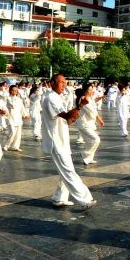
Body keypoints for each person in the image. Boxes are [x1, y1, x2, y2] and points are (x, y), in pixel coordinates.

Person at [42, 74, 97, 209]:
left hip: (62, 138)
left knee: (65, 171)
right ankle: (85, 199)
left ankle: (59, 197)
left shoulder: (58, 98)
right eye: (61, 82)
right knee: (68, 171)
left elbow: (69, 120)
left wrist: (77, 109)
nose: (64, 85)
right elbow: (67, 116)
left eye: (65, 82)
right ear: (52, 83)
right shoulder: (50, 98)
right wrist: (79, 107)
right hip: (56, 140)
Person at [76, 82, 104, 166]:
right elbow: (92, 112)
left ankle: (88, 159)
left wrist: (99, 119)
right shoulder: (84, 99)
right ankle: (85, 153)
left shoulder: (90, 99)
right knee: (96, 140)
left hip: (89, 123)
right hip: (84, 124)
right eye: (90, 89)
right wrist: (98, 118)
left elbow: (94, 111)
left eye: (92, 89)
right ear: (85, 90)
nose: (92, 91)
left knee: (89, 142)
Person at [3, 84, 28, 152]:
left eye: (16, 91)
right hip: (10, 118)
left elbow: (22, 108)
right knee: (12, 133)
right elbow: (12, 105)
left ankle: (15, 147)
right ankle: (6, 145)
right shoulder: (8, 98)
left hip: (18, 118)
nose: (15, 92)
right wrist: (15, 97)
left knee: (18, 134)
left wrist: (25, 114)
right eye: (13, 90)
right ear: (10, 91)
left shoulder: (19, 99)